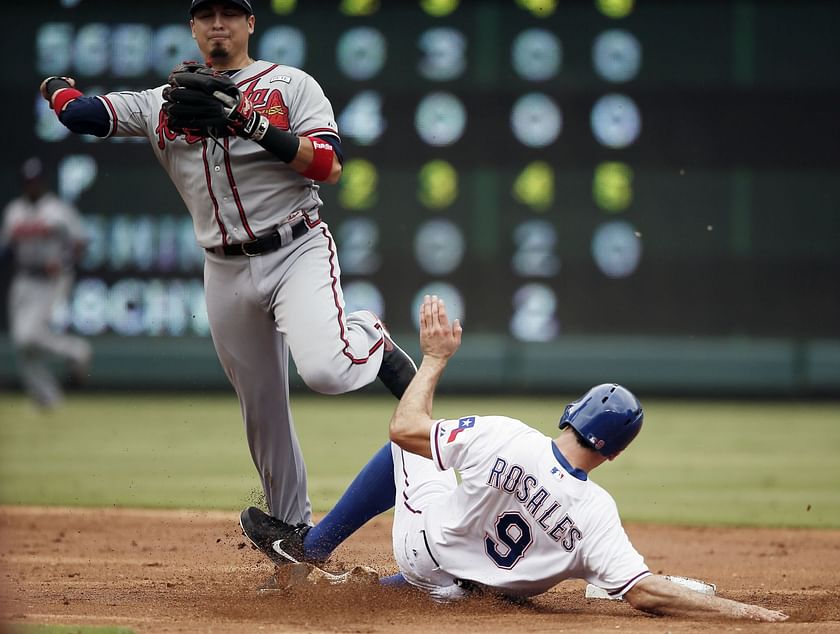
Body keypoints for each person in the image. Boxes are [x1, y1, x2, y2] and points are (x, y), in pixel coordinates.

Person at [39, 0, 415, 548]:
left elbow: (328, 165)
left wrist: (248, 122)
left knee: (328, 373)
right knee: (261, 408)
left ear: (250, 24)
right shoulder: (159, 105)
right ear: (192, 28)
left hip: (295, 248)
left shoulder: (290, 85)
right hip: (223, 268)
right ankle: (293, 532)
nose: (220, 24)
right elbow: (81, 115)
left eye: (231, 14)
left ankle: (371, 340)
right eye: (207, 14)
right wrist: (55, 85)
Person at [240, 295, 788, 622]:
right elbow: (645, 591)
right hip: (467, 597)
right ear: (614, 452)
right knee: (509, 567)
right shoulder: (598, 514)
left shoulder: (505, 436)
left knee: (406, 442)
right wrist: (746, 612)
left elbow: (405, 429)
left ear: (572, 414)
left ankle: (307, 548)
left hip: (423, 555)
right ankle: (361, 589)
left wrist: (434, 361)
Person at [1, 157, 92, 410]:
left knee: (27, 336)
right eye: (28, 182)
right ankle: (46, 397)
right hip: (22, 278)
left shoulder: (57, 210)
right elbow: (6, 249)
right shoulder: (14, 211)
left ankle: (77, 351)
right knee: (22, 344)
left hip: (50, 280)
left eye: (36, 181)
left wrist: (63, 262)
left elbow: (81, 241)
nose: (32, 186)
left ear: (42, 182)